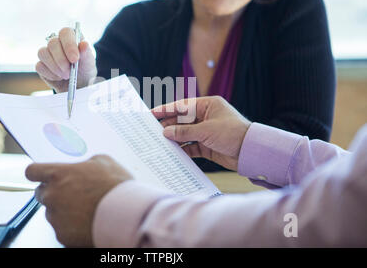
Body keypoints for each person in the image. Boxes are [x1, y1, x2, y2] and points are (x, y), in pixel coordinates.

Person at [35, 0, 336, 172]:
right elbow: (101, 134)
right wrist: (80, 86)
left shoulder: (295, 7)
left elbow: (305, 140)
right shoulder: (136, 22)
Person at [25, 96, 367, 247]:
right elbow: (352, 187)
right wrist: (250, 141)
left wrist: (119, 209)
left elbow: (312, 228)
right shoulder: (141, 19)